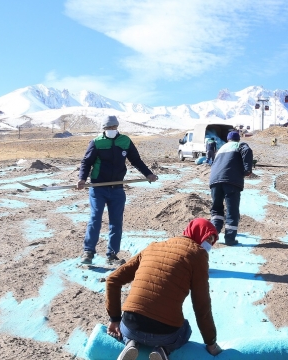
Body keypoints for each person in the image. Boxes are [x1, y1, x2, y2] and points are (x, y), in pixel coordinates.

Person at [105, 218, 223, 360]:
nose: (209, 244)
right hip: (165, 334)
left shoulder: (153, 247)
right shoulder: (198, 255)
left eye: (212, 240)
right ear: (198, 234)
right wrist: (211, 343)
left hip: (130, 326)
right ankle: (163, 350)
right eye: (208, 238)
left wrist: (115, 319)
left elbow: (112, 279)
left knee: (135, 324)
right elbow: (201, 306)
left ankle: (130, 343)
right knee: (185, 328)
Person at [77, 115, 158, 265]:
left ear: (117, 127)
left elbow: (136, 160)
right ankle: (88, 251)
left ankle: (112, 255)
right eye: (108, 128)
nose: (111, 130)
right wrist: (82, 178)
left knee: (116, 222)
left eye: (113, 128)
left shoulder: (125, 141)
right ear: (104, 129)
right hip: (98, 188)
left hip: (117, 189)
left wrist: (148, 174)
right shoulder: (96, 142)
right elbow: (86, 162)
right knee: (95, 218)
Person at [209, 130, 254, 245]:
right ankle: (229, 239)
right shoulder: (240, 145)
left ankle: (213, 234)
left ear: (228, 139)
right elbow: (247, 150)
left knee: (217, 209)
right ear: (238, 139)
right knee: (232, 210)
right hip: (231, 181)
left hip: (214, 180)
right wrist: (247, 169)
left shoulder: (222, 148)